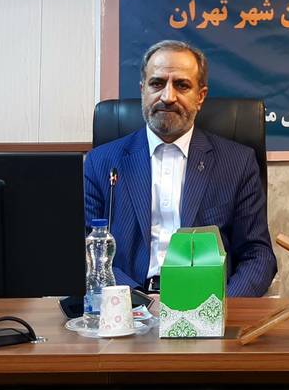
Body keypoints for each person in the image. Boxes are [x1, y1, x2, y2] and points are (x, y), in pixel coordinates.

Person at [84, 40, 276, 297]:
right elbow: (87, 250)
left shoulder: (237, 163)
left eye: (182, 85)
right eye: (157, 84)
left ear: (200, 96)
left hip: (208, 301)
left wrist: (221, 307)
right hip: (128, 303)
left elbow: (257, 255)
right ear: (143, 90)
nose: (168, 97)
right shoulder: (101, 162)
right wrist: (133, 301)